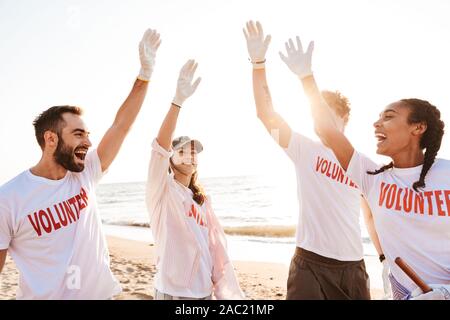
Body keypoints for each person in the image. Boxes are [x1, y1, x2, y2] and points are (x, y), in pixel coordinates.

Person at [279, 32, 450, 300]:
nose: (376, 123)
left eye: (389, 117)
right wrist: (306, 78)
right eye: (379, 117)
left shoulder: (447, 174)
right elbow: (328, 130)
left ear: (418, 127)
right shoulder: (371, 176)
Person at [0, 28, 161, 299]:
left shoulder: (85, 173)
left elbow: (121, 126)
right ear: (50, 139)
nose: (87, 142)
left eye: (88, 134)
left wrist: (144, 76)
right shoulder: (9, 198)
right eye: (78, 134)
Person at [244, 20, 383, 300]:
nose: (319, 121)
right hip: (310, 265)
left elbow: (371, 214)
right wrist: (258, 63)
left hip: (352, 266)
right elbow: (265, 112)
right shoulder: (303, 149)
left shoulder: (362, 163)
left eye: (327, 114)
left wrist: (383, 256)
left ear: (344, 119)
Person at [145, 60, 244, 300]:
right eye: (182, 151)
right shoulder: (162, 190)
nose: (190, 155)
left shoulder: (201, 199)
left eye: (193, 151)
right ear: (170, 159)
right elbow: (159, 147)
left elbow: (212, 245)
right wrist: (178, 101)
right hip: (173, 292)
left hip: (204, 292)